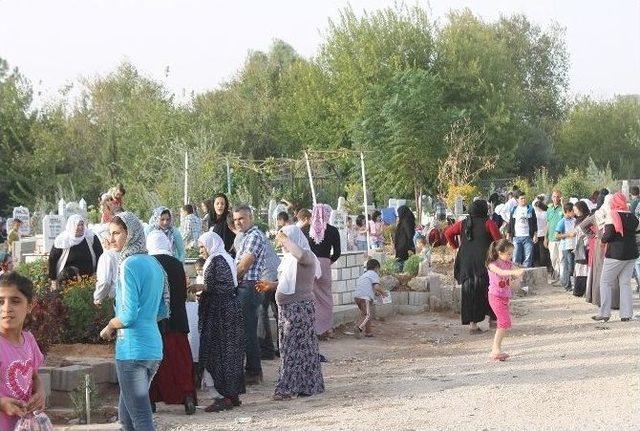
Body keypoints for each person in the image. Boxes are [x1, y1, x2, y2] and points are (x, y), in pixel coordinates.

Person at [99, 212, 168, 431]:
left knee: (140, 418)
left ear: (131, 234)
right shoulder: (154, 263)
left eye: (117, 233)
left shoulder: (128, 264)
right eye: (110, 234)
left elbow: (128, 315)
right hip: (153, 347)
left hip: (132, 350)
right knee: (126, 418)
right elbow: (162, 309)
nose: (111, 239)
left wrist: (110, 325)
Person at [256, 225, 324, 401]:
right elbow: (287, 282)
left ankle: (287, 388)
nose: (281, 244)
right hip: (288, 309)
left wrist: (283, 237)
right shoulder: (289, 260)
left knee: (295, 349)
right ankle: (306, 386)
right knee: (296, 348)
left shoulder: (307, 256)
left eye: (285, 240)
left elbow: (300, 254)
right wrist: (270, 285)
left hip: (299, 309)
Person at [146, 231, 196, 415]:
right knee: (180, 361)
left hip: (155, 322)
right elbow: (182, 293)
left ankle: (151, 400)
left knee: (155, 364)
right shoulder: (177, 264)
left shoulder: (149, 263)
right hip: (177, 321)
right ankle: (187, 396)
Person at [198, 231, 245, 411]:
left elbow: (218, 287)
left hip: (219, 313)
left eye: (203, 246)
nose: (201, 250)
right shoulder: (224, 258)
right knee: (229, 353)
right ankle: (230, 394)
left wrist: (201, 287)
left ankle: (220, 396)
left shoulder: (217, 260)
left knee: (215, 352)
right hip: (228, 310)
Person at [444, 200, 501, 333]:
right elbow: (498, 240)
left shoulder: (463, 223)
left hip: (466, 261)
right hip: (484, 261)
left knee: (469, 290)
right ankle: (492, 319)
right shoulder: (488, 223)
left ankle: (473, 325)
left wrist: (455, 246)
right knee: (489, 288)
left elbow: (448, 233)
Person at [0, 272, 47, 430]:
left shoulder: (29, 340)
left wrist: (40, 391)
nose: (6, 308)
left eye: (15, 301)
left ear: (30, 305)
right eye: (0, 301)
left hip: (23, 425)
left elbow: (34, 376)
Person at [592, 192, 639, 322]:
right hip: (631, 254)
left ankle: (604, 313)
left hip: (616, 254)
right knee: (625, 284)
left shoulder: (612, 215)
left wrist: (601, 241)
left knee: (605, 282)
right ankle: (626, 314)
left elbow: (608, 235)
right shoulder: (631, 216)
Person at [232, 204, 266, 384]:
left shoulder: (254, 236)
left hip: (249, 286)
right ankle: (252, 370)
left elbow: (244, 265)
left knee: (247, 331)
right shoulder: (245, 237)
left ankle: (253, 372)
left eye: (241, 219)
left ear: (250, 218)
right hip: (246, 285)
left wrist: (229, 281)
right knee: (246, 329)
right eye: (236, 219)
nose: (238, 222)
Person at [302, 204, 341, 339]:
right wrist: (327, 262)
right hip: (324, 264)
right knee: (325, 296)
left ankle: (312, 328)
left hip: (308, 264)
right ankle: (326, 329)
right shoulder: (333, 231)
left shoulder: (306, 229)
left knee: (310, 296)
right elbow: (337, 253)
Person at [486, 239, 525, 361]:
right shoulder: (492, 264)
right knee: (504, 322)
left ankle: (496, 349)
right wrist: (515, 272)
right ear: (499, 252)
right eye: (508, 254)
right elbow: (502, 273)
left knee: (504, 323)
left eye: (511, 254)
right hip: (495, 296)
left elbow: (514, 282)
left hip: (505, 296)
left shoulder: (509, 264)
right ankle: (495, 349)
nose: (510, 256)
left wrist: (518, 277)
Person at [581, 191, 620, 308]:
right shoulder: (615, 214)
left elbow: (583, 225)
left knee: (599, 273)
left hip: (600, 245)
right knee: (613, 273)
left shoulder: (597, 214)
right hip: (612, 245)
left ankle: (598, 300)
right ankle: (614, 302)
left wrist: (593, 235)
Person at [48, 215, 103, 289]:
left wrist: (97, 273)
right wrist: (53, 280)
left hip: (89, 279)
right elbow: (52, 260)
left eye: (82, 224)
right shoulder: (62, 240)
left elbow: (100, 255)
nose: (80, 227)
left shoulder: (91, 236)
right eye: (77, 225)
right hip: (67, 280)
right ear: (71, 226)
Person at [259, 234, 281, 360]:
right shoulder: (260, 234)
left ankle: (267, 350)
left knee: (261, 311)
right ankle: (282, 347)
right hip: (277, 273)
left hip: (265, 278)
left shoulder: (242, 237)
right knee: (279, 312)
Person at [354, 259, 386, 338]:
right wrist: (383, 292)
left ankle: (368, 332)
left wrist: (376, 293)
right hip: (365, 297)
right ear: (376, 268)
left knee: (365, 314)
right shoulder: (374, 274)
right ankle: (359, 327)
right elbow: (376, 287)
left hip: (357, 296)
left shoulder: (364, 275)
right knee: (368, 315)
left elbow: (369, 287)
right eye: (378, 269)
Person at [507, 192, 537, 268]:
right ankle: (516, 275)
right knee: (516, 258)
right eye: (521, 198)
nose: (523, 200)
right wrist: (508, 234)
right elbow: (511, 223)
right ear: (517, 200)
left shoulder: (530, 209)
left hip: (528, 236)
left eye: (524, 198)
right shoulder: (514, 209)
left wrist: (535, 234)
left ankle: (526, 276)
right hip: (517, 237)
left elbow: (534, 222)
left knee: (528, 258)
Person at [555, 203, 576, 292]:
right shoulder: (562, 222)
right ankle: (567, 285)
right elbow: (556, 235)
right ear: (568, 211)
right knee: (568, 266)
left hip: (574, 245)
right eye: (573, 211)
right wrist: (568, 235)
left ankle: (569, 283)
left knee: (572, 266)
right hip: (566, 247)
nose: (574, 213)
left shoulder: (574, 220)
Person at [545, 190, 564, 283]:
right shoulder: (549, 209)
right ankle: (556, 274)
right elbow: (548, 224)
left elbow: (566, 216)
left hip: (561, 238)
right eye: (554, 196)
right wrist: (546, 237)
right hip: (552, 238)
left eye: (557, 196)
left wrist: (563, 204)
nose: (555, 198)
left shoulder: (562, 208)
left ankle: (559, 277)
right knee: (553, 258)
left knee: (561, 258)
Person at [572, 201, 591, 297]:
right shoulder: (578, 220)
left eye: (575, 210)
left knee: (584, 268)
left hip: (586, 246)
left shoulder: (587, 219)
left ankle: (582, 290)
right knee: (579, 268)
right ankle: (579, 290)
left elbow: (576, 232)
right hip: (579, 246)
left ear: (581, 209)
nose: (574, 212)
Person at [94, 239, 118, 305]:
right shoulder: (127, 252)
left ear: (106, 242)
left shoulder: (106, 255)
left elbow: (104, 281)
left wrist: (98, 297)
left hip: (114, 298)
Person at [532, 196, 551, 271]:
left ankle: (542, 267)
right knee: (541, 253)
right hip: (540, 235)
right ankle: (544, 267)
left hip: (541, 235)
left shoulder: (543, 213)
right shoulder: (545, 213)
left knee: (540, 253)